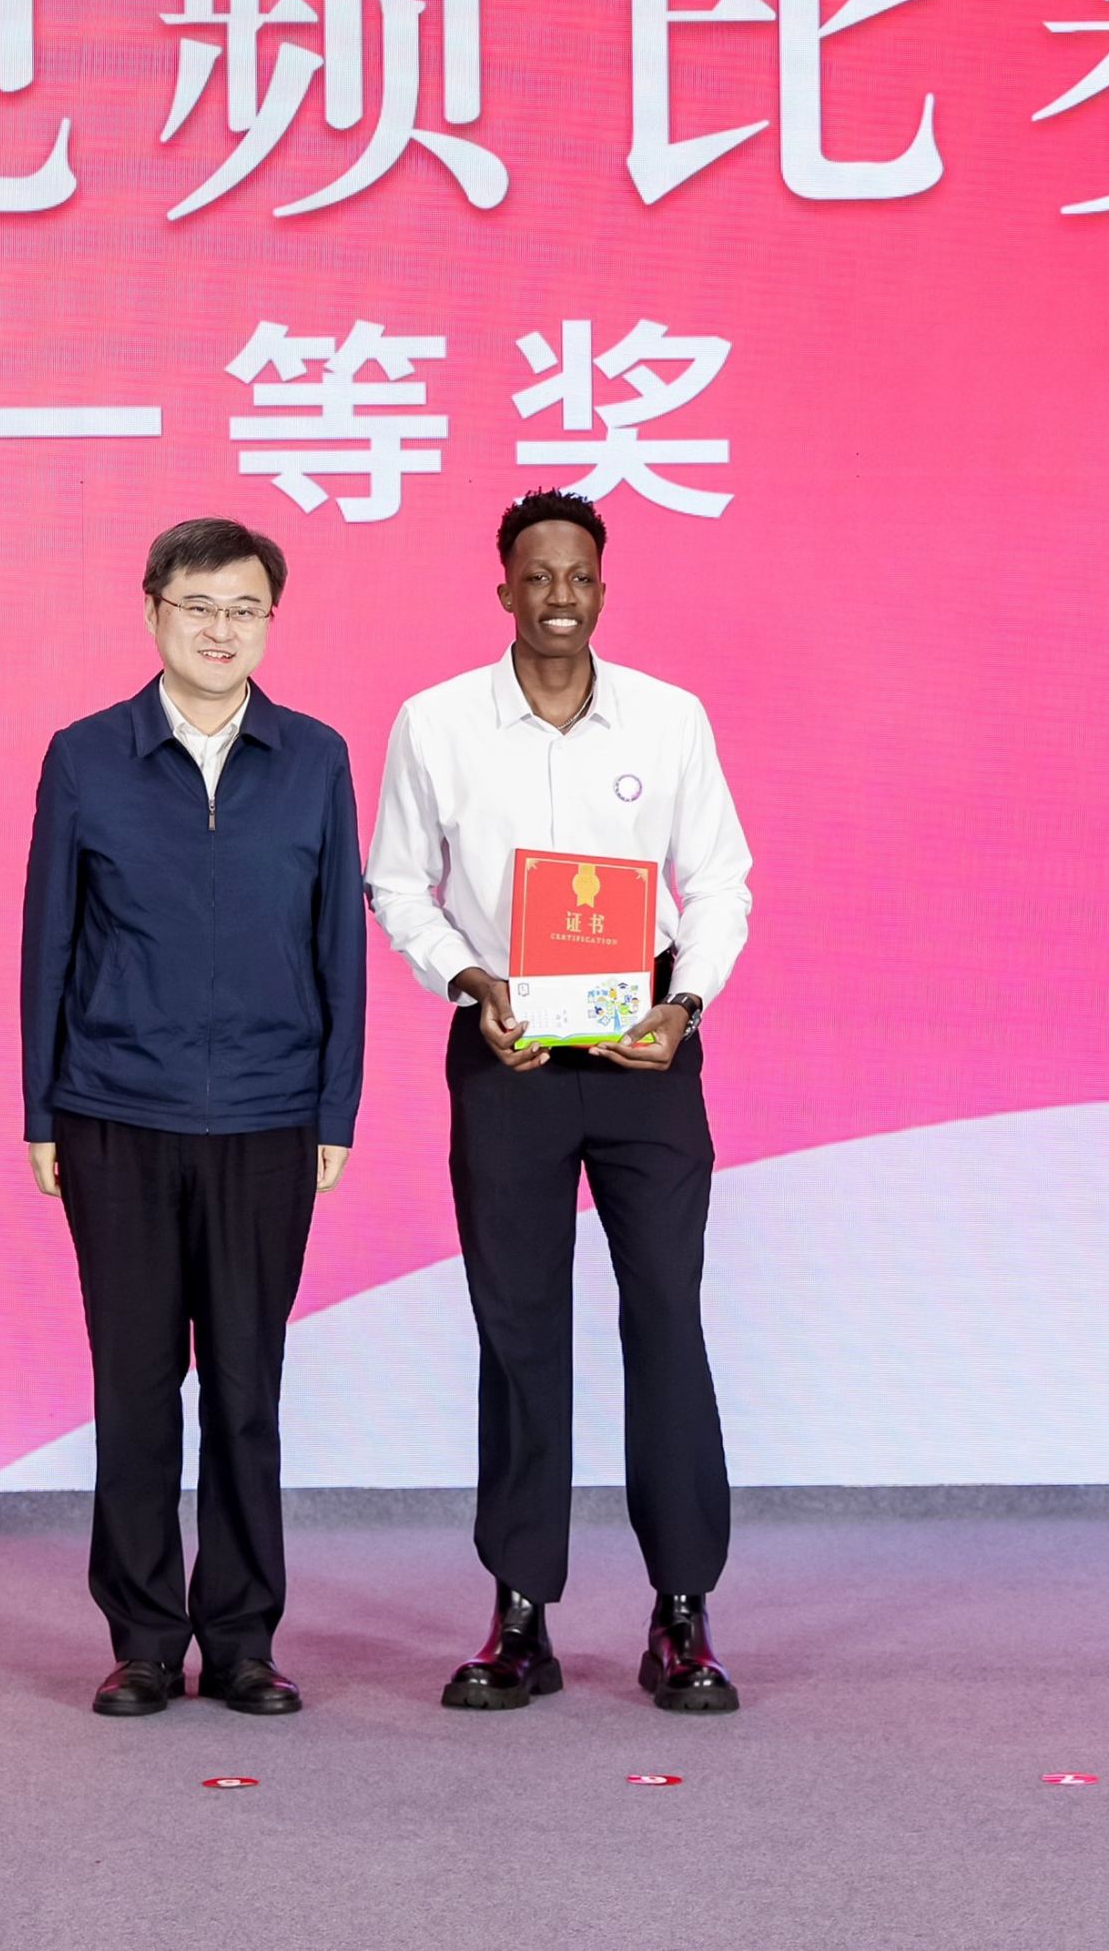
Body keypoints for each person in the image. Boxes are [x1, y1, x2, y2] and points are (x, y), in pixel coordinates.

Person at [366, 489, 752, 1715]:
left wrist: (683, 1003)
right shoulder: (436, 723)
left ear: (602, 587)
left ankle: (682, 1612)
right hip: (507, 1051)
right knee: (518, 1328)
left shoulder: (669, 718)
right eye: (535, 577)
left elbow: (721, 879)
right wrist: (465, 978)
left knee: (666, 1319)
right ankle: (519, 1613)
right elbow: (396, 883)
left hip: (645, 1051)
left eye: (577, 576)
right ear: (503, 590)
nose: (558, 597)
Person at [22, 516, 367, 1721]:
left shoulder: (314, 757)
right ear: (152, 611)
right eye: (198, 605)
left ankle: (242, 1640)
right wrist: (40, 1107)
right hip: (114, 1112)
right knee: (133, 1386)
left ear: (270, 622)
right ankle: (140, 1639)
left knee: (246, 1388)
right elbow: (48, 939)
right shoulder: (85, 756)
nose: (221, 629)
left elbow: (338, 945)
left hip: (269, 1116)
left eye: (244, 609)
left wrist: (334, 1107)